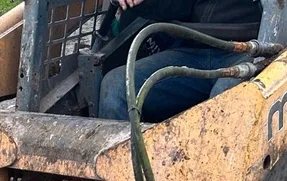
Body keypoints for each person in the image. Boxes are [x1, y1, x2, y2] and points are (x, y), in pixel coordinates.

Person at [98, 0, 263, 121]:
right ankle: (129, 164)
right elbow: (177, 7)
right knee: (117, 86)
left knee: (227, 95)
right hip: (192, 48)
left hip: (252, 48)